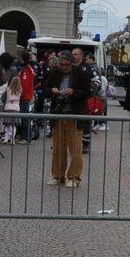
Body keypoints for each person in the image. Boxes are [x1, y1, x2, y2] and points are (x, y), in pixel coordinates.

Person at [41, 51, 92, 187]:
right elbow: (44, 89)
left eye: (67, 65)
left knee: (75, 149)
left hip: (74, 115)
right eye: (62, 65)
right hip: (58, 115)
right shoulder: (54, 73)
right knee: (58, 149)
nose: (64, 67)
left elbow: (88, 92)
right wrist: (52, 91)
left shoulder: (81, 74)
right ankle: (57, 176)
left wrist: (74, 92)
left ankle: (74, 177)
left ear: (72, 63)